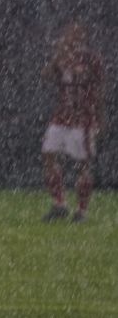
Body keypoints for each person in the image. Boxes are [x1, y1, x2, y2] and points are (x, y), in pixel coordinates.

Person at [40, 21, 105, 223]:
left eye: (75, 34)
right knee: (48, 154)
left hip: (83, 118)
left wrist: (98, 119)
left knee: (82, 164)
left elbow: (100, 90)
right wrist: (57, 57)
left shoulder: (91, 59)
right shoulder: (62, 58)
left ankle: (82, 211)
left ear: (82, 37)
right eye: (68, 34)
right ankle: (60, 203)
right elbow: (46, 76)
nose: (71, 38)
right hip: (62, 116)